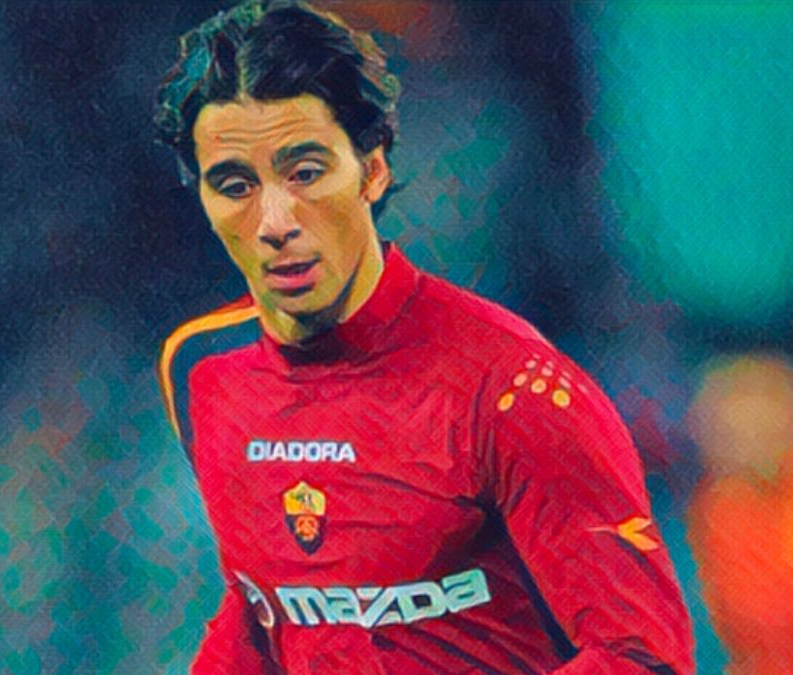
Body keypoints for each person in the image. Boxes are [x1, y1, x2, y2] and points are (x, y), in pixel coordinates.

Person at [154, 1, 694, 673]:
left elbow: (639, 655)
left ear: (373, 171)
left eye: (307, 174)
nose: (275, 221)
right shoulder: (208, 373)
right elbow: (259, 614)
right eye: (235, 185)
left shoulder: (517, 386)